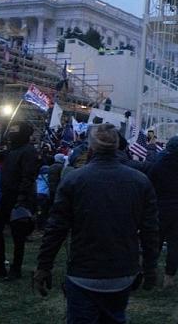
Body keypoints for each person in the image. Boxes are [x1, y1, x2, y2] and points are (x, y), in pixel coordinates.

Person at [34, 124, 159, 323]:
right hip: (122, 273)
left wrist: (44, 266)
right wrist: (150, 268)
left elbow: (56, 229)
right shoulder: (140, 181)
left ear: (90, 149)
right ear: (118, 147)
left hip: (84, 273)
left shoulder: (74, 180)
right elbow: (150, 231)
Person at [0, 121, 38, 280]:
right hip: (7, 195)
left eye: (15, 130)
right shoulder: (11, 150)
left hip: (20, 197)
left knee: (18, 235)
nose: (11, 133)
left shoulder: (28, 151)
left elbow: (28, 175)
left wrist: (22, 198)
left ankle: (16, 269)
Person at [146, 136, 178, 289]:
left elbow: (149, 186)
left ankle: (152, 273)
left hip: (160, 209)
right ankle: (169, 277)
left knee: (155, 243)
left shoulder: (158, 166)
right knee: (175, 246)